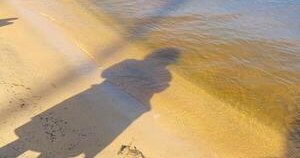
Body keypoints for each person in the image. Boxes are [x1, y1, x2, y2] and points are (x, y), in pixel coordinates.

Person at [0, 47, 180, 158]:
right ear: (169, 62)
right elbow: (159, 89)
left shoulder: (131, 62)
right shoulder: (166, 76)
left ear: (153, 54)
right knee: (69, 140)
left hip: (99, 94)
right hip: (123, 106)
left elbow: (105, 74)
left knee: (24, 140)